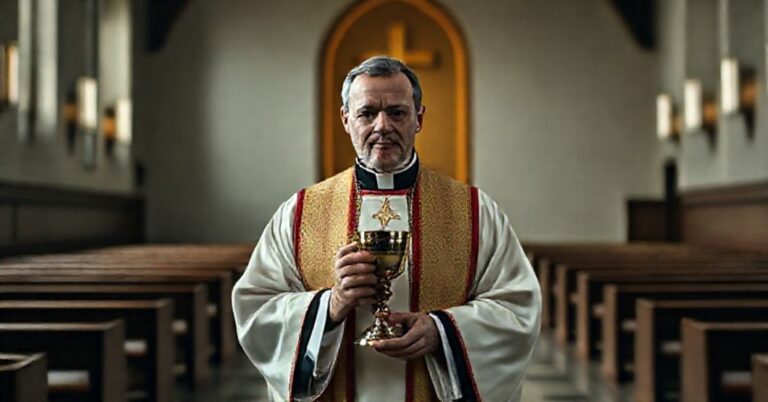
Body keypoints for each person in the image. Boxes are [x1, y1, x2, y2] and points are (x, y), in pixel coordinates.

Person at [232, 56, 541, 401]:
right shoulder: (300, 213)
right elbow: (257, 308)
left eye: (397, 112)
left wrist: (442, 331)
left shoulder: (475, 211)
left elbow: (517, 309)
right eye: (367, 113)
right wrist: (330, 306)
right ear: (345, 119)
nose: (382, 125)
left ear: (419, 118)